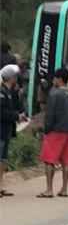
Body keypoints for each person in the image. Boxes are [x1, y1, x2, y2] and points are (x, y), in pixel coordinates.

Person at [38, 68, 68, 198]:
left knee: (49, 160)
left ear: (60, 79)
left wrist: (46, 129)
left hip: (56, 131)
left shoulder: (54, 94)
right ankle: (64, 189)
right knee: (66, 161)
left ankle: (49, 189)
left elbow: (50, 115)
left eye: (55, 78)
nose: (53, 81)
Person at [1, 64, 26, 198]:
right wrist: (17, 116)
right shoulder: (2, 92)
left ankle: (1, 186)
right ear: (11, 78)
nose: (17, 78)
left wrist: (19, 114)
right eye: (15, 76)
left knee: (3, 160)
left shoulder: (10, 92)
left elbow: (15, 107)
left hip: (6, 131)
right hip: (1, 130)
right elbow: (2, 112)